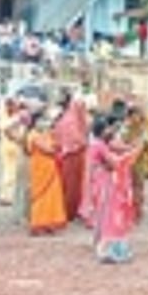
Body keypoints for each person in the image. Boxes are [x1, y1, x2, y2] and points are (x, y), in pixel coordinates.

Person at [90, 118, 143, 263]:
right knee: (108, 212)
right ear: (102, 130)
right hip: (104, 182)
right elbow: (114, 163)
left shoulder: (99, 144)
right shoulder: (100, 145)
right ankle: (108, 248)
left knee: (103, 211)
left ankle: (101, 242)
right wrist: (132, 155)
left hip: (100, 179)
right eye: (108, 128)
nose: (111, 131)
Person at [26, 112, 68, 235]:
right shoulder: (33, 135)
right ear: (34, 122)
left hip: (51, 169)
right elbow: (48, 149)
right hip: (40, 170)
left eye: (44, 120)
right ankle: (38, 223)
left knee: (53, 196)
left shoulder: (46, 134)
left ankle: (49, 222)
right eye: (41, 121)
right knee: (40, 196)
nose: (43, 123)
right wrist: (55, 147)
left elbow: (57, 145)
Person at [54, 91, 89, 222]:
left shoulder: (64, 117)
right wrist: (85, 142)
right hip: (73, 154)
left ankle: (69, 209)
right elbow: (77, 139)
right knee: (72, 186)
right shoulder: (71, 120)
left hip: (67, 154)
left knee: (70, 184)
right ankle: (70, 211)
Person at [0, 99, 22, 205]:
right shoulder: (10, 117)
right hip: (10, 146)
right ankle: (7, 196)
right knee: (10, 172)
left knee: (10, 172)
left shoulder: (10, 117)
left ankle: (7, 196)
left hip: (10, 147)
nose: (13, 107)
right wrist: (17, 140)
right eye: (11, 105)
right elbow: (6, 131)